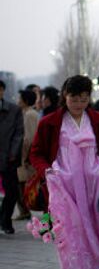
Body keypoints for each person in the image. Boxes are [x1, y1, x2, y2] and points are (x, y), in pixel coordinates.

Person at [29, 75, 99, 269]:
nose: (78, 104)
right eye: (74, 99)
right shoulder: (49, 123)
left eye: (84, 99)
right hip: (64, 191)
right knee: (73, 239)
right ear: (64, 97)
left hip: (93, 189)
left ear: (90, 98)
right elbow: (35, 153)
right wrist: (47, 170)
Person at [0, 80, 24, 234]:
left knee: (12, 192)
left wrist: (13, 153)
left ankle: (5, 220)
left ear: (2, 90)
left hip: (8, 157)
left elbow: (19, 133)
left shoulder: (14, 110)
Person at [15, 89, 39, 220]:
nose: (18, 101)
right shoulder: (27, 113)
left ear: (25, 100)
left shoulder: (30, 114)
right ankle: (24, 210)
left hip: (25, 157)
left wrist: (23, 155)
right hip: (26, 156)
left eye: (20, 98)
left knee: (22, 184)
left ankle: (25, 210)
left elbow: (28, 137)